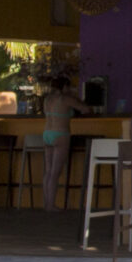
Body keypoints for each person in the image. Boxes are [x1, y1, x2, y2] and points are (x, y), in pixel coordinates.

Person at [37, 71, 90, 211]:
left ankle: (46, 204)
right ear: (65, 86)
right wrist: (76, 98)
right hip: (61, 134)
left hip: (47, 133)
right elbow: (85, 109)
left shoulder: (47, 99)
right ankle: (51, 205)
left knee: (48, 171)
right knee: (55, 173)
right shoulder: (66, 99)